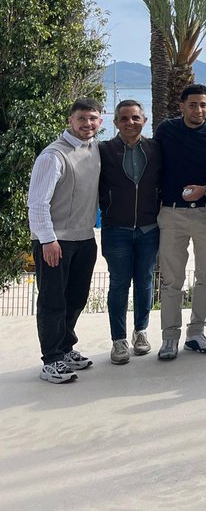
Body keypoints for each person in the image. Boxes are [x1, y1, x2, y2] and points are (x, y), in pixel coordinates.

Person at [154, 84, 206, 360]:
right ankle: (169, 338)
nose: (198, 110)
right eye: (192, 105)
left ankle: (196, 333)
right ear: (181, 106)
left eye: (203, 105)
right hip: (171, 213)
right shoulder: (166, 130)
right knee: (171, 281)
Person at [27, 99, 103, 384]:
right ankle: (51, 360)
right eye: (81, 118)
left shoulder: (95, 148)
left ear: (101, 120)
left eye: (93, 118)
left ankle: (65, 348)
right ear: (70, 121)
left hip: (84, 238)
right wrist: (48, 240)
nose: (87, 124)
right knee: (52, 301)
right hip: (55, 241)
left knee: (76, 298)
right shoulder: (52, 156)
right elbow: (37, 203)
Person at [98, 99, 162, 364]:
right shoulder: (103, 150)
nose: (130, 123)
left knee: (145, 282)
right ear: (115, 123)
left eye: (135, 118)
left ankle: (141, 332)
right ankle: (118, 340)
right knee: (118, 284)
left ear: (144, 120)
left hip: (149, 227)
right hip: (116, 228)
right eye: (124, 118)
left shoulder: (156, 149)